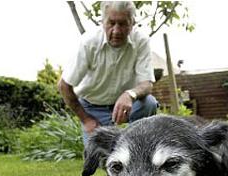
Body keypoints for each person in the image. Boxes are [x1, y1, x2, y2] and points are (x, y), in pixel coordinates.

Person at [58, 1, 158, 144]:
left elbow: (147, 84)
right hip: (92, 107)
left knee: (149, 103)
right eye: (111, 23)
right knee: (101, 159)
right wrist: (86, 120)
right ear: (103, 22)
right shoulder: (89, 42)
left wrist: (130, 94)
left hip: (127, 106)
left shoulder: (141, 41)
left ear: (132, 23)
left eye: (123, 24)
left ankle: (137, 144)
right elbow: (64, 86)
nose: (116, 31)